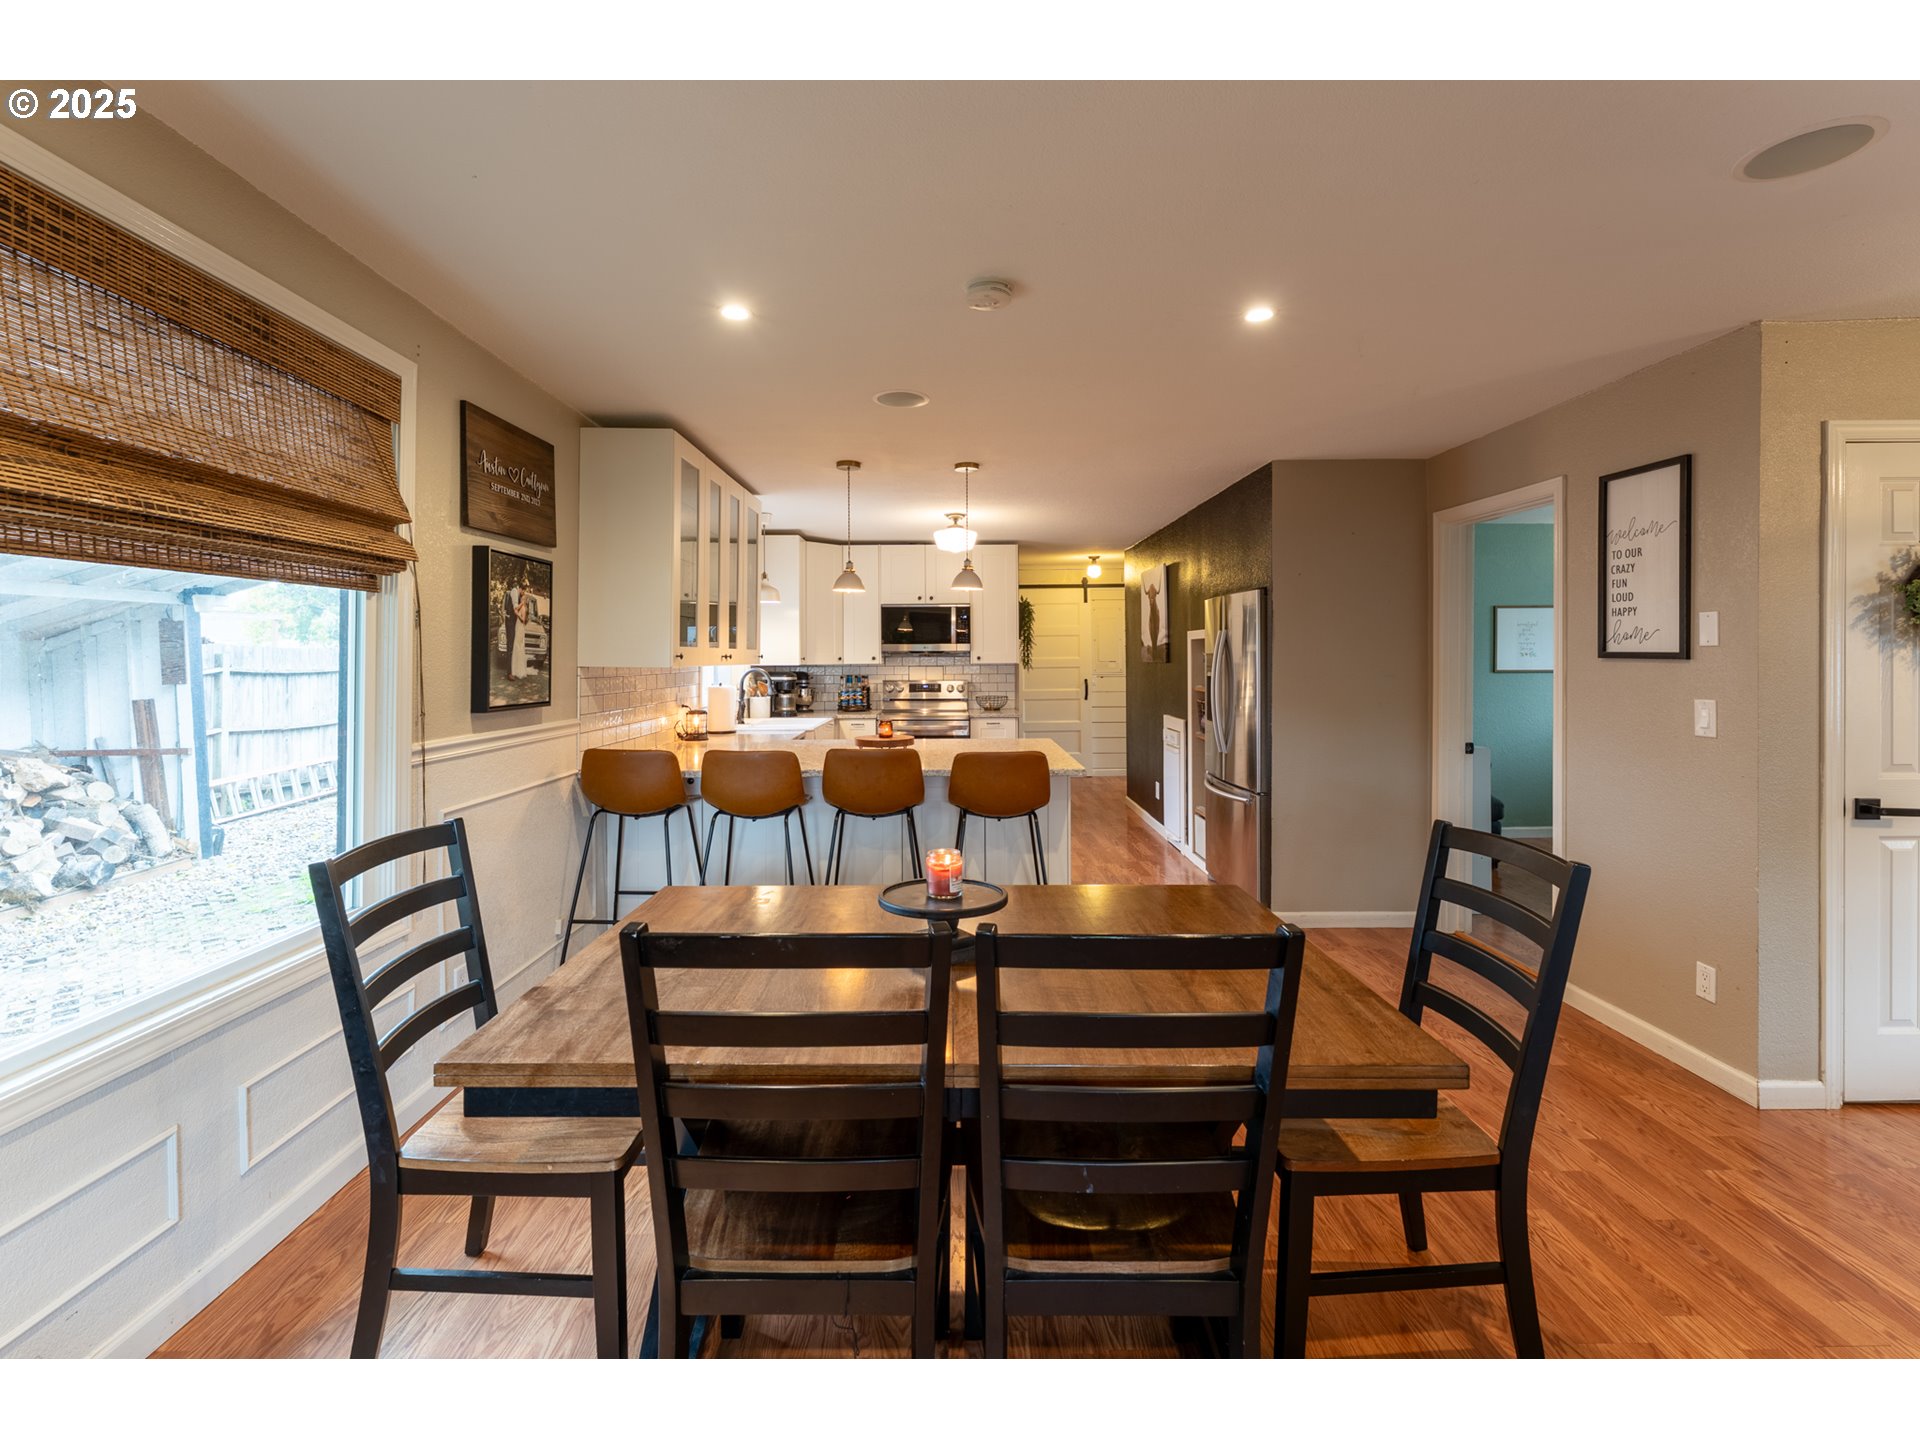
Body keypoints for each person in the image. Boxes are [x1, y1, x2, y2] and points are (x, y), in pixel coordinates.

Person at [506, 570, 530, 680]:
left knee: (514, 646)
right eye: (523, 591)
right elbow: (515, 608)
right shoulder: (515, 592)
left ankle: (512, 670)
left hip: (513, 623)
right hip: (511, 622)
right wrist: (523, 603)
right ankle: (509, 673)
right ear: (521, 588)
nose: (523, 594)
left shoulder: (516, 592)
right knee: (511, 646)